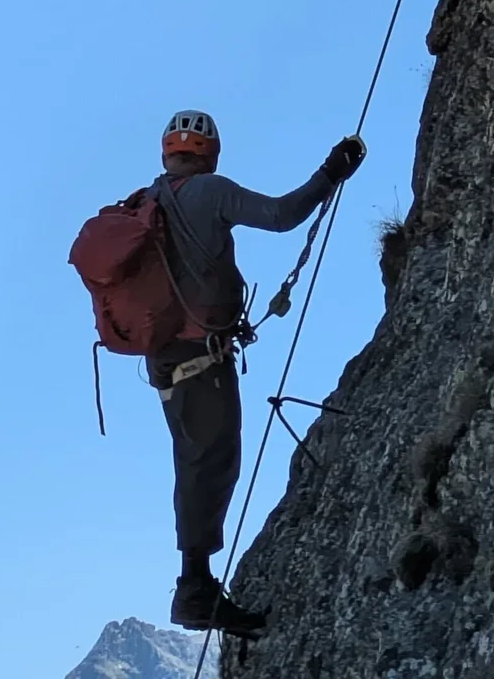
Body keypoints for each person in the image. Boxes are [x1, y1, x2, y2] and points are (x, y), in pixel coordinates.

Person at [150, 109, 366, 638]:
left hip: (165, 363)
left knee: (194, 462)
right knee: (213, 462)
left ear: (167, 153)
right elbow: (281, 214)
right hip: (203, 360)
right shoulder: (210, 192)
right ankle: (195, 589)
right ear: (211, 154)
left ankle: (195, 583)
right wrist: (330, 173)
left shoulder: (149, 200)